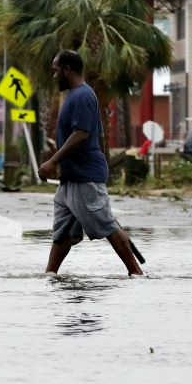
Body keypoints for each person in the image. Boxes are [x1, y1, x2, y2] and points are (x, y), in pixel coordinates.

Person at [37, 50, 143, 276]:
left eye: (56, 71)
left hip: (84, 177)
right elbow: (101, 136)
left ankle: (136, 273)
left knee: (107, 225)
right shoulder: (76, 96)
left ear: (67, 70)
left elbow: (82, 134)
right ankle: (49, 275)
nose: (54, 76)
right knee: (62, 231)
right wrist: (101, 164)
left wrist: (54, 161)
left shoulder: (83, 96)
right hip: (72, 177)